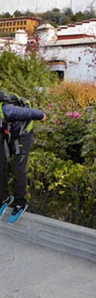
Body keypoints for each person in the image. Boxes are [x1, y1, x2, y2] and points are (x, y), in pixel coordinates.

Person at [0, 93, 46, 223]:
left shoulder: (8, 110)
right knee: (1, 164)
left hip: (23, 134)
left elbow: (34, 113)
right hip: (8, 133)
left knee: (18, 168)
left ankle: (20, 202)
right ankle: (4, 198)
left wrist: (42, 115)